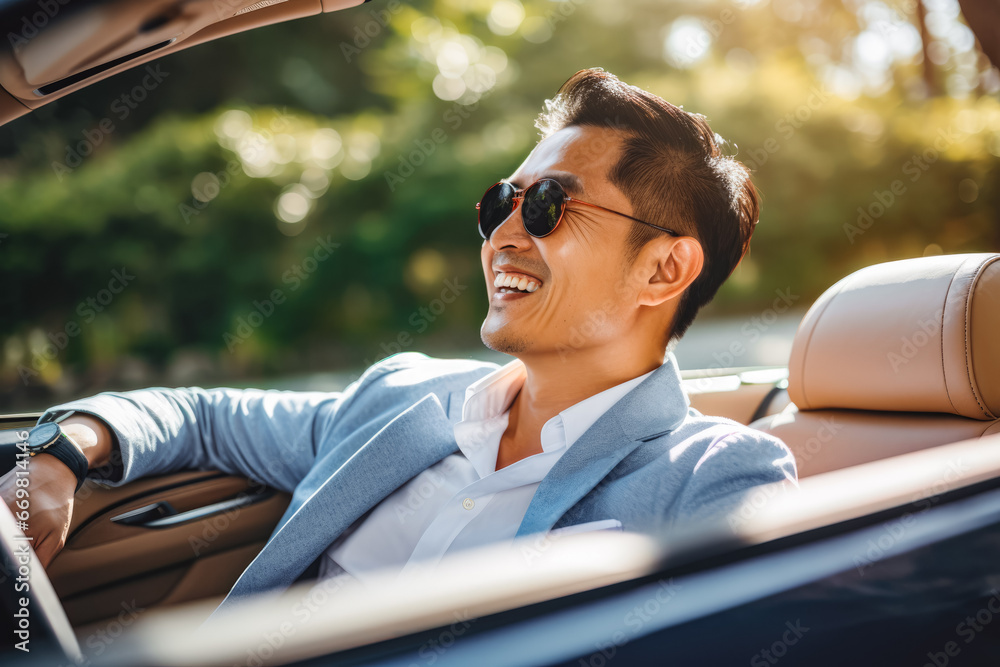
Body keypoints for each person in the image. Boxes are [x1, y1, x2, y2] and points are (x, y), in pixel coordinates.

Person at [1, 68, 796, 615]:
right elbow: (200, 415)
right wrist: (59, 452)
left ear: (664, 268)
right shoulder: (401, 395)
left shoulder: (719, 481)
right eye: (500, 204)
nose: (503, 236)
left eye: (550, 204)